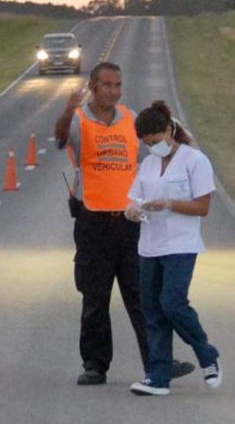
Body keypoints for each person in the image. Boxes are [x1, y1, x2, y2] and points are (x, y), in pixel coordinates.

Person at [55, 62, 193, 386]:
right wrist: (67, 108)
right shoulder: (78, 120)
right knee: (95, 297)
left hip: (132, 220)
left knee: (144, 296)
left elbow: (163, 145)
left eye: (118, 85)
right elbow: (61, 139)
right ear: (93, 87)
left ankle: (159, 362)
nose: (113, 91)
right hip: (93, 221)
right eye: (107, 85)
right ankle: (95, 365)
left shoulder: (131, 119)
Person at [125, 101, 222, 396]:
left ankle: (206, 352)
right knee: (151, 310)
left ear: (169, 131)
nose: (153, 148)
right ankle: (158, 375)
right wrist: (132, 210)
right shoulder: (149, 164)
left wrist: (169, 203)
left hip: (181, 245)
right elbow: (134, 197)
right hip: (150, 246)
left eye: (155, 141)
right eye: (147, 144)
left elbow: (202, 207)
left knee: (172, 303)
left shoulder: (195, 161)